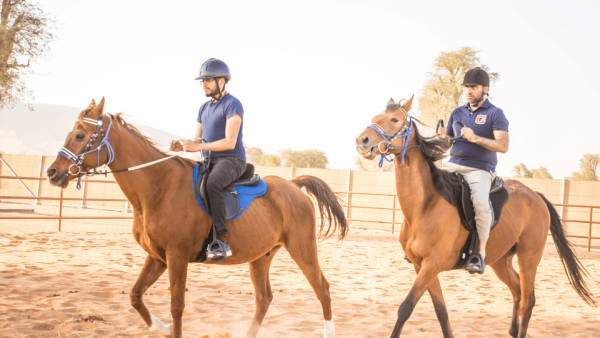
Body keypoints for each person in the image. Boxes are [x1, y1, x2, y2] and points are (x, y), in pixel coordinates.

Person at [170, 58, 246, 261]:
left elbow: (230, 142)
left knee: (213, 183)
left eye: (208, 80)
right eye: (202, 81)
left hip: (231, 160)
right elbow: (197, 139)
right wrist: (183, 146)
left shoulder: (233, 104)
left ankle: (221, 240)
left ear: (222, 81)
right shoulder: (204, 108)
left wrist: (199, 147)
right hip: (209, 160)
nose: (203, 84)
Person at [437, 67, 509, 274]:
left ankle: (480, 254)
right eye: (467, 87)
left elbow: (503, 146)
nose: (469, 91)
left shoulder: (495, 113)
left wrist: (476, 137)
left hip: (480, 170)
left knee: (480, 203)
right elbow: (446, 146)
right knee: (429, 189)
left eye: (473, 87)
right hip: (453, 164)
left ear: (485, 89)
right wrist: (442, 138)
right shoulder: (457, 112)